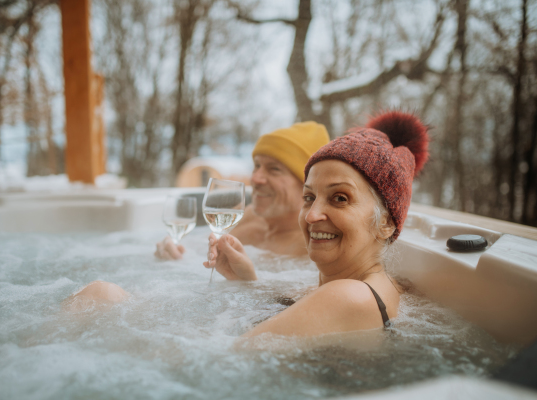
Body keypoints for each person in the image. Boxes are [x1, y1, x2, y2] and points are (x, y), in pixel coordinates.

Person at [207, 111, 430, 336]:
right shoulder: (363, 288)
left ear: (386, 223)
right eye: (309, 197)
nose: (312, 216)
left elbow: (230, 357)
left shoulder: (346, 296)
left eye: (340, 198)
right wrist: (247, 283)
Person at [155, 122, 330, 260]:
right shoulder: (248, 216)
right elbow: (195, 249)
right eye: (257, 166)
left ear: (308, 183)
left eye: (274, 169)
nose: (255, 179)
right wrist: (171, 246)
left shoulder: (314, 247)